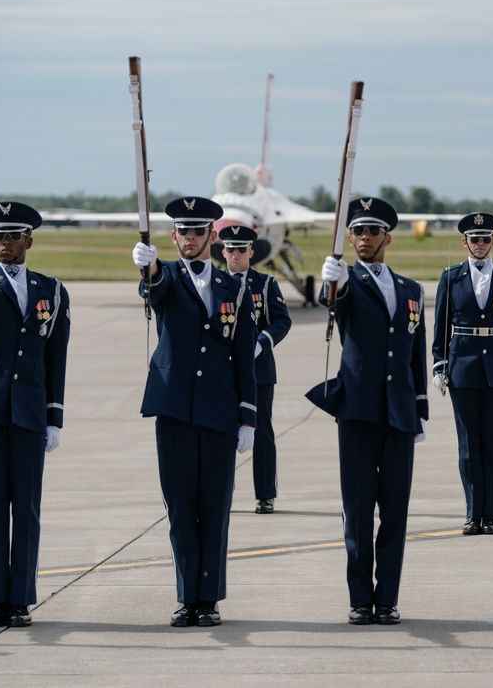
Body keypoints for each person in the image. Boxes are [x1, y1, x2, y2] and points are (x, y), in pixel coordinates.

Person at [131, 197, 257, 628]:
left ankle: (210, 599)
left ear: (211, 236)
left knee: (215, 507)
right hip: (174, 408)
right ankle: (188, 598)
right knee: (181, 507)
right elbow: (153, 286)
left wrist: (248, 417)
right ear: (173, 237)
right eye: (181, 232)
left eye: (196, 231)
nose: (188, 238)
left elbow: (243, 357)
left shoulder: (235, 288)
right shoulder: (165, 277)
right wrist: (146, 266)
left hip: (220, 411)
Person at [306, 197, 428, 626]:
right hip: (357, 410)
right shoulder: (347, 282)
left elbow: (414, 354)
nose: (363, 238)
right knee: (358, 510)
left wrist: (420, 411)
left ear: (387, 238)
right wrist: (331, 280)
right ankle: (360, 599)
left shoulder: (412, 290)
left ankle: (387, 598)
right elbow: (331, 300)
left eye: (371, 231)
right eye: (357, 231)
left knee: (395, 511)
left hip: (398, 414)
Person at [0, 202, 70, 628]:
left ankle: (22, 599)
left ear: (29, 241)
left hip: (30, 411)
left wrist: (54, 417)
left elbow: (56, 359)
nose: (5, 244)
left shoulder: (52, 289)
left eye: (13, 237)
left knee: (26, 509)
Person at [432, 212, 493, 536]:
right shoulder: (451, 277)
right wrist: (439, 365)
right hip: (463, 369)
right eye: (475, 239)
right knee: (469, 446)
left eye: (486, 239)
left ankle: (492, 515)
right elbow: (441, 326)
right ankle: (473, 513)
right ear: (465, 242)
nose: (481, 244)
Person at [219, 225, 292, 515]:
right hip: (223, 371)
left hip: (258, 370)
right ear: (222, 251)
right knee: (221, 434)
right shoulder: (214, 282)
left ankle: (265, 495)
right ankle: (221, 495)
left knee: (261, 431)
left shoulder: (264, 284)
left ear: (251, 251)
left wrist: (262, 342)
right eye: (230, 249)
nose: (235, 255)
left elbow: (282, 320)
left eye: (241, 249)